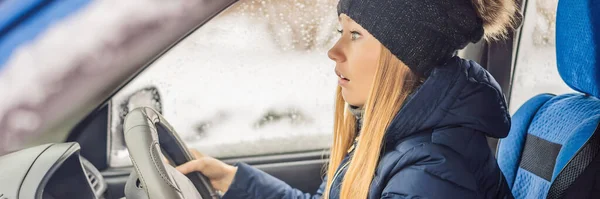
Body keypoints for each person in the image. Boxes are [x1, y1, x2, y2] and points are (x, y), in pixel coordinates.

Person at [177, 0, 520, 198]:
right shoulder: (391, 136)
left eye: (355, 35)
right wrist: (231, 180)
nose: (334, 51)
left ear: (402, 58)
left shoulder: (429, 172)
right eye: (341, 31)